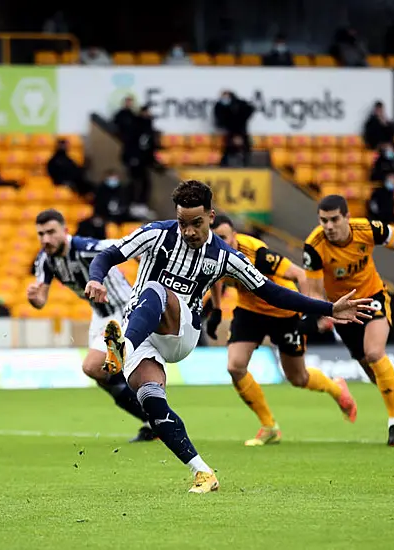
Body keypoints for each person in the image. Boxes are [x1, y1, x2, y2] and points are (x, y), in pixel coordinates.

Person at [84, 180, 375, 492]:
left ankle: (121, 348)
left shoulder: (226, 255)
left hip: (180, 331)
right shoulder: (156, 233)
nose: (189, 231)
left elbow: (272, 291)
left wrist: (329, 308)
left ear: (211, 216)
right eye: (183, 223)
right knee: (151, 401)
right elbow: (108, 255)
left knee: (156, 288)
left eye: (196, 223)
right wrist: (96, 278)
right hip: (141, 332)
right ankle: (203, 473)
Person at [208, 215, 357, 446]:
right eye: (216, 238)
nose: (221, 243)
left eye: (224, 238)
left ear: (235, 236)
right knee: (235, 366)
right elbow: (214, 277)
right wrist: (217, 309)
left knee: (298, 378)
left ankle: (335, 388)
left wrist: (308, 313)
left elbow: (299, 274)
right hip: (250, 312)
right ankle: (269, 426)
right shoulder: (211, 252)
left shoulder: (259, 254)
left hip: (283, 313)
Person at [301, 195, 394, 446]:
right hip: (343, 310)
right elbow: (315, 291)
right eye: (323, 220)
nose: (328, 226)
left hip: (373, 297)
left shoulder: (369, 229)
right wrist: (326, 312)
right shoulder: (314, 246)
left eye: (334, 220)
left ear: (347, 218)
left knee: (374, 353)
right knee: (376, 376)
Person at [28, 209, 154, 443]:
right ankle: (151, 420)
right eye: (41, 234)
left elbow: (130, 246)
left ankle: (153, 413)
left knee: (93, 367)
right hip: (100, 317)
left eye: (51, 232)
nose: (46, 239)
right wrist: (33, 297)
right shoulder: (44, 259)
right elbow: (40, 301)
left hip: (125, 310)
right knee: (100, 375)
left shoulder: (88, 247)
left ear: (65, 231)